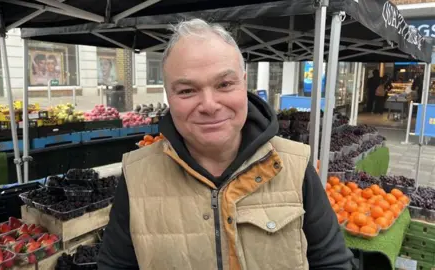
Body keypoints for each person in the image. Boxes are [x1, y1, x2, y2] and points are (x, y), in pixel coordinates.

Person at [98, 19, 353, 270]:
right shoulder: (137, 175)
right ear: (168, 95)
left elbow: (333, 262)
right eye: (187, 90)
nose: (209, 105)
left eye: (224, 84)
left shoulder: (294, 164)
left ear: (244, 83)